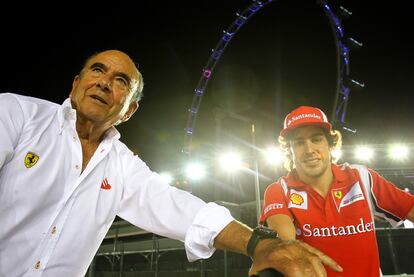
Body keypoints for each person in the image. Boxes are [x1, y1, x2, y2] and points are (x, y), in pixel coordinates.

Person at [0, 50, 342, 277]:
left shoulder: (121, 166)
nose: (105, 81)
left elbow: (180, 208)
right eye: (98, 70)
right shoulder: (17, 115)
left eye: (122, 81)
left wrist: (259, 243)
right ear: (76, 84)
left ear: (129, 111)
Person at [260, 105, 414, 276]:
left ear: (330, 144)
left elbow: (410, 208)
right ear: (289, 151)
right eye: (299, 143)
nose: (309, 150)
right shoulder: (279, 190)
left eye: (316, 139)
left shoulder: (361, 178)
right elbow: (288, 249)